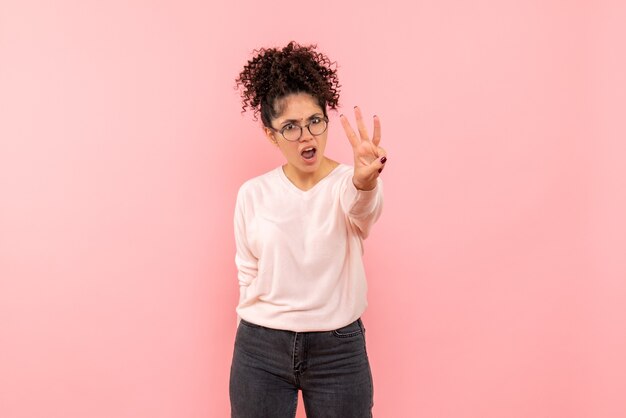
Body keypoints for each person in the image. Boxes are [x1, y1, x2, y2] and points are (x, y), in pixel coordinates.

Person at [229, 41, 387, 418]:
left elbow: (364, 212)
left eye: (315, 121)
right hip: (260, 347)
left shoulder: (348, 183)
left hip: (338, 348)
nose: (307, 136)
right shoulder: (253, 194)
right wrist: (250, 337)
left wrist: (366, 183)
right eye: (291, 127)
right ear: (271, 135)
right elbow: (246, 271)